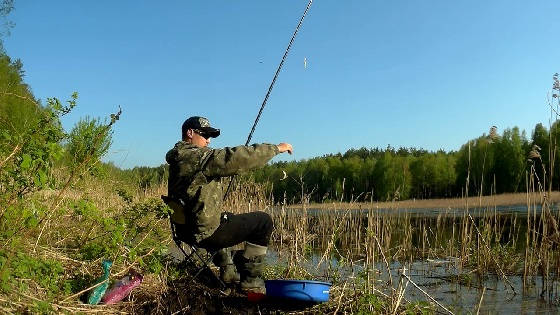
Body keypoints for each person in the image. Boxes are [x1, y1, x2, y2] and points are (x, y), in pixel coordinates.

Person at [165, 116, 293, 293]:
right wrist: (276, 149)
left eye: (211, 136)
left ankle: (229, 270)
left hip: (184, 231)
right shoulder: (197, 157)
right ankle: (251, 282)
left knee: (227, 217)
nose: (208, 140)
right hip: (204, 233)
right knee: (263, 221)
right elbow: (235, 158)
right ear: (190, 133)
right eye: (204, 135)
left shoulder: (179, 159)